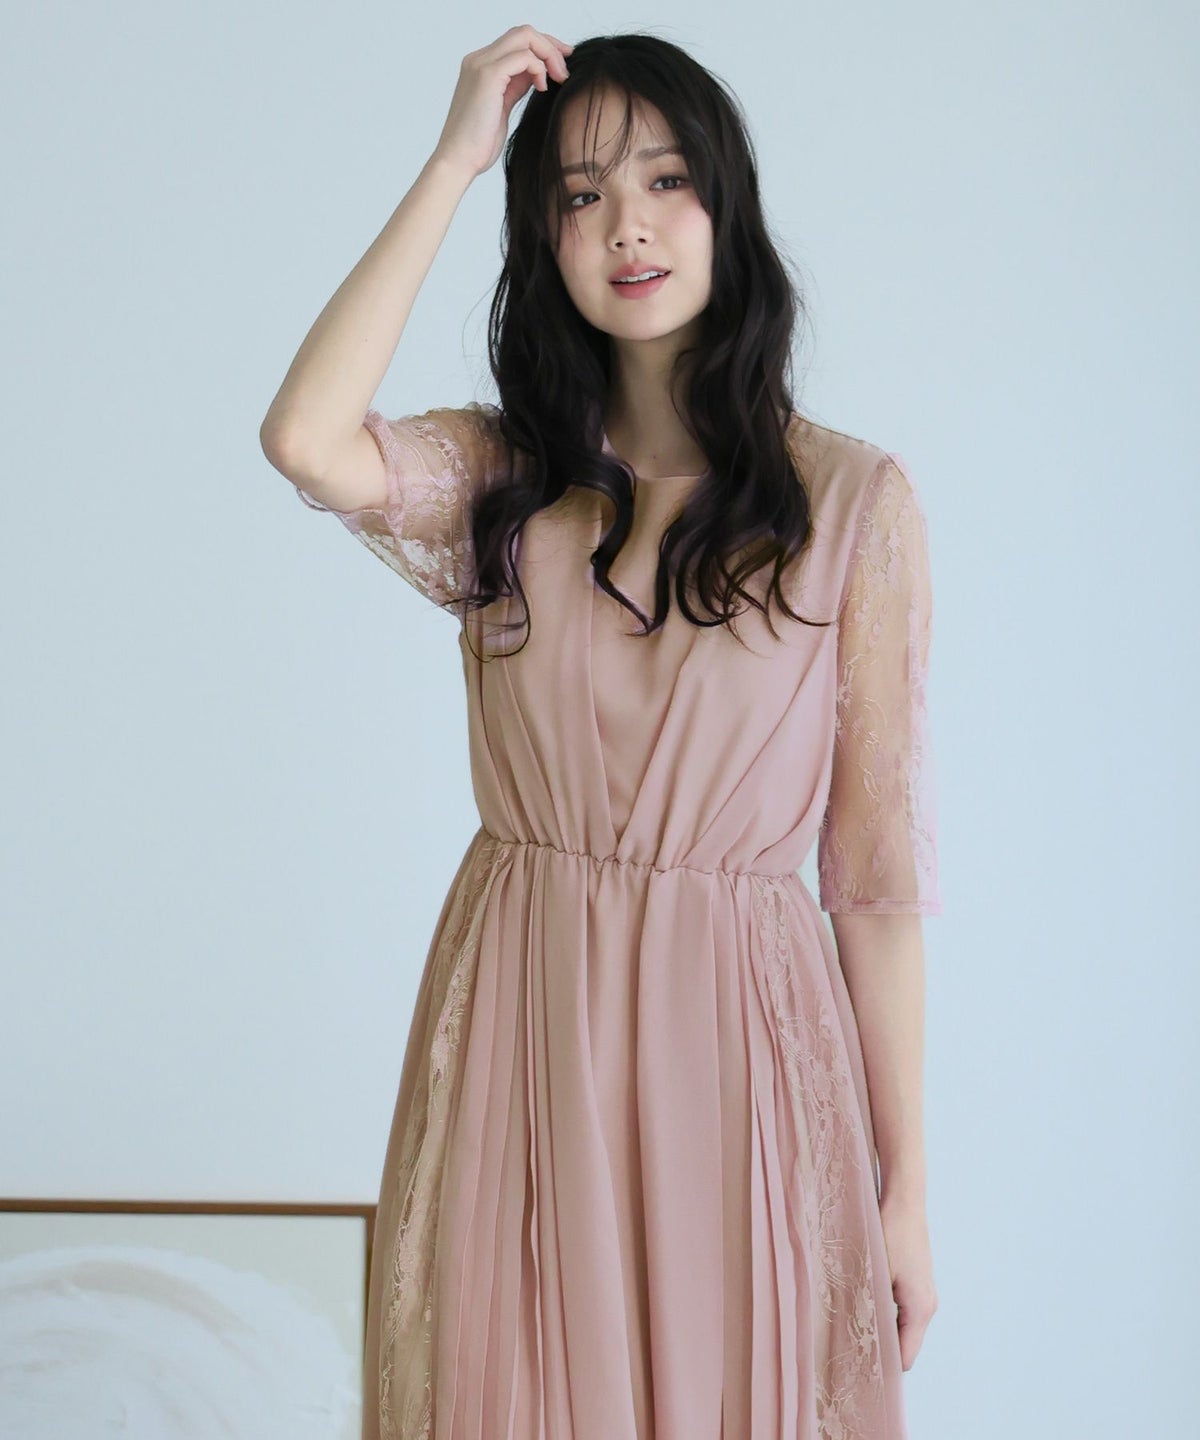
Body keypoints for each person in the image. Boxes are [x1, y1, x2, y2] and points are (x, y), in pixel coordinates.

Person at [260, 26, 941, 1440]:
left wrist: (906, 1189)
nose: (627, 223)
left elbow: (873, 881)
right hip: (526, 1021)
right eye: (579, 194)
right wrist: (456, 158)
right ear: (543, 239)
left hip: (745, 1051)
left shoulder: (849, 504)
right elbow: (308, 439)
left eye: (665, 180)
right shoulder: (503, 479)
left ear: (726, 207)